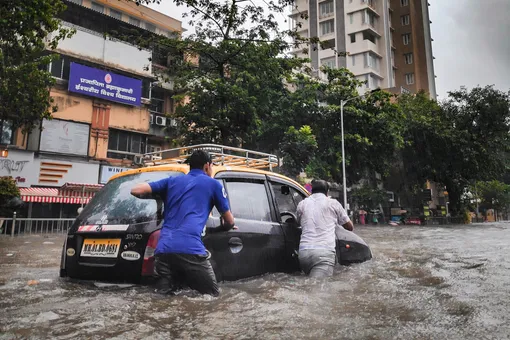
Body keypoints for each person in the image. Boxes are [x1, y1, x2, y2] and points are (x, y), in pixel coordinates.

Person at [130, 150, 235, 296]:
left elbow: (135, 190)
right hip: (191, 249)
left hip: (163, 251)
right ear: (207, 166)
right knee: (213, 297)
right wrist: (224, 227)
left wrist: (160, 195)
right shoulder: (213, 185)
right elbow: (229, 221)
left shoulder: (171, 181)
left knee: (164, 298)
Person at [296, 179, 354, 278]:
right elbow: (349, 227)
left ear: (311, 191)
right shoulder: (333, 203)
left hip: (304, 253)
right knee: (318, 288)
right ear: (327, 192)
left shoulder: (302, 204)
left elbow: (298, 222)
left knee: (308, 285)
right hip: (323, 254)